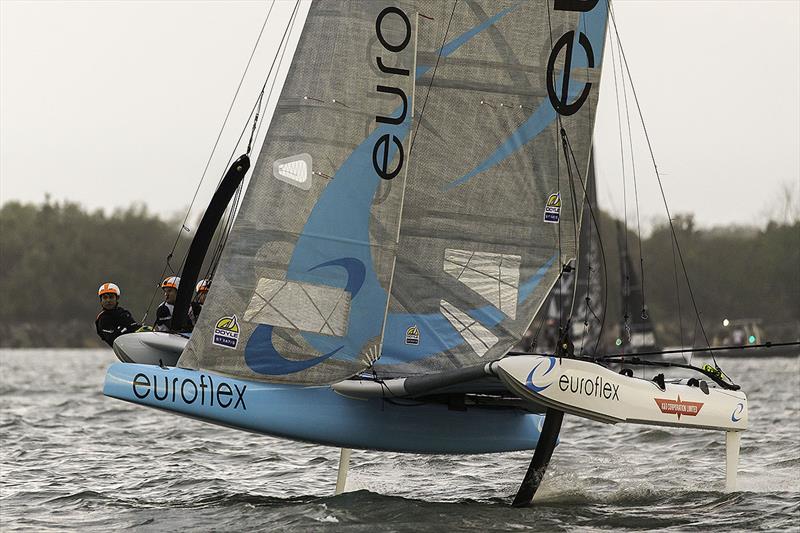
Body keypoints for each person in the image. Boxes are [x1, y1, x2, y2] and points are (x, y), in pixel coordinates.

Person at [95, 282, 141, 347]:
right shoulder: (102, 319)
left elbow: (134, 327)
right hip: (125, 347)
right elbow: (113, 338)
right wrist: (126, 329)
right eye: (105, 298)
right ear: (101, 300)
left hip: (138, 343)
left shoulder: (123, 313)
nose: (108, 300)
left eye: (111, 297)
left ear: (117, 298)